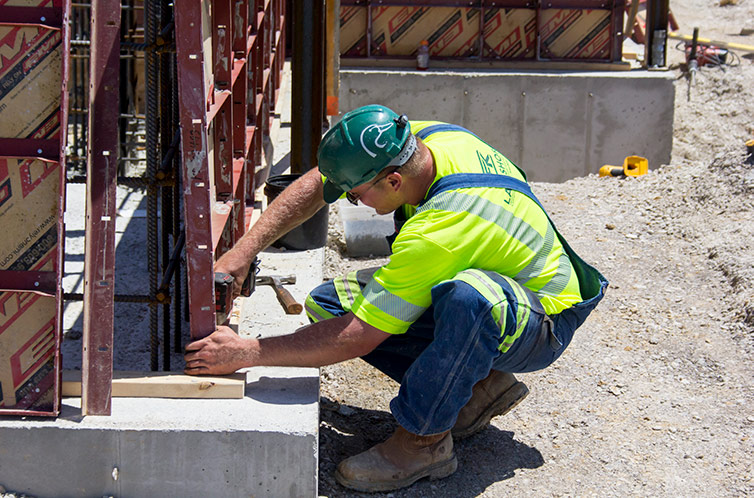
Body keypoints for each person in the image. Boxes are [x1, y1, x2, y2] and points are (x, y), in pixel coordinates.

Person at [184, 104, 608, 493]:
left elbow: (358, 337)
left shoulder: (439, 232)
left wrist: (247, 352)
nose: (354, 201)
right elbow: (322, 180)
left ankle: (424, 443)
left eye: (357, 194)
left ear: (393, 180)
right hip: (498, 281)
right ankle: (477, 387)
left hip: (543, 319)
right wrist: (244, 250)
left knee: (470, 298)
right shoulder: (427, 140)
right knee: (332, 303)